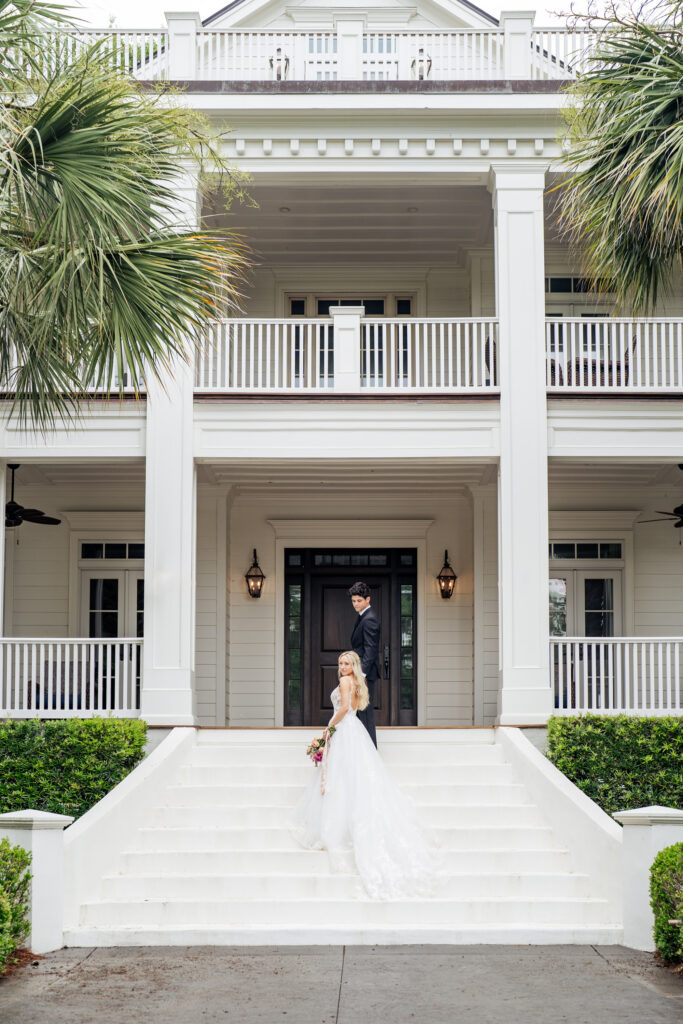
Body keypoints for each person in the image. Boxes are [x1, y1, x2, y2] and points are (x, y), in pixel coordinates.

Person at [290, 651, 438, 900]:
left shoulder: (346, 682)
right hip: (352, 729)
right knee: (351, 775)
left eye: (347, 663)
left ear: (354, 665)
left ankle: (340, 826)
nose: (342, 666)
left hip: (344, 728)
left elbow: (345, 707)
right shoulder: (354, 681)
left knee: (344, 775)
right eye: (340, 663)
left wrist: (329, 728)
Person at [348, 581, 379, 747]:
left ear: (368, 599)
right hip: (360, 671)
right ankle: (364, 749)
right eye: (353, 601)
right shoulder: (363, 616)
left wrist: (361, 675)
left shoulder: (370, 619)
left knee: (365, 712)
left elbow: (371, 650)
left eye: (359, 600)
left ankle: (371, 750)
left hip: (365, 674)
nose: (355, 604)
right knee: (360, 711)